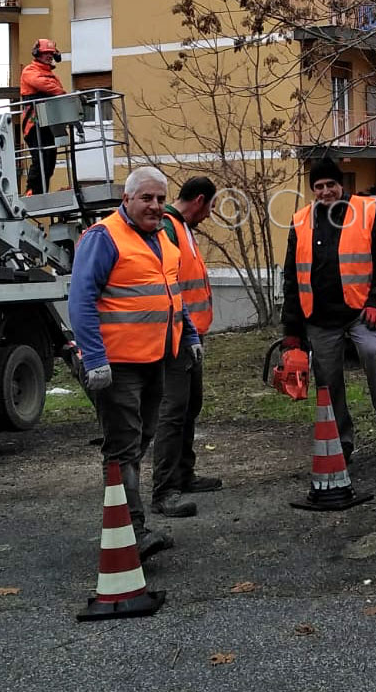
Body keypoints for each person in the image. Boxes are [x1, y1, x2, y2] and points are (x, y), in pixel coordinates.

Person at [69, 166, 201, 560]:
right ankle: (132, 533)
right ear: (126, 199)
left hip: (155, 359)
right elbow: (80, 299)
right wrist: (95, 359)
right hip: (117, 364)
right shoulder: (104, 237)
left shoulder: (161, 238)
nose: (155, 205)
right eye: (146, 198)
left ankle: (126, 525)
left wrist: (189, 334)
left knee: (140, 440)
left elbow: (171, 294)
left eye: (160, 198)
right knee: (124, 447)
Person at [281, 157, 376, 461]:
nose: (325, 191)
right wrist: (292, 332)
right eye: (319, 186)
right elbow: (291, 278)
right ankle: (340, 440)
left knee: (375, 354)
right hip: (318, 317)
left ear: (341, 185)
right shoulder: (300, 221)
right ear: (312, 189)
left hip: (360, 312)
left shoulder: (366, 211)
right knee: (327, 381)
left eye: (330, 184)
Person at [151, 176, 222, 519]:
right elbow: (169, 281)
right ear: (199, 200)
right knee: (174, 409)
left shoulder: (181, 227)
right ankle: (165, 489)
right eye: (209, 206)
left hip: (189, 334)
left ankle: (183, 474)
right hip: (177, 334)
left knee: (190, 404)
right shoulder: (169, 227)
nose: (209, 215)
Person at [20, 38, 67, 194]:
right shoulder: (30, 71)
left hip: (49, 123)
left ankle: (41, 193)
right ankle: (32, 192)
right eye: (46, 53)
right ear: (37, 54)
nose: (49, 56)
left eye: (51, 53)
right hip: (33, 124)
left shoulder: (52, 76)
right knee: (40, 159)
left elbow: (56, 89)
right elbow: (43, 85)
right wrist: (62, 93)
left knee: (49, 161)